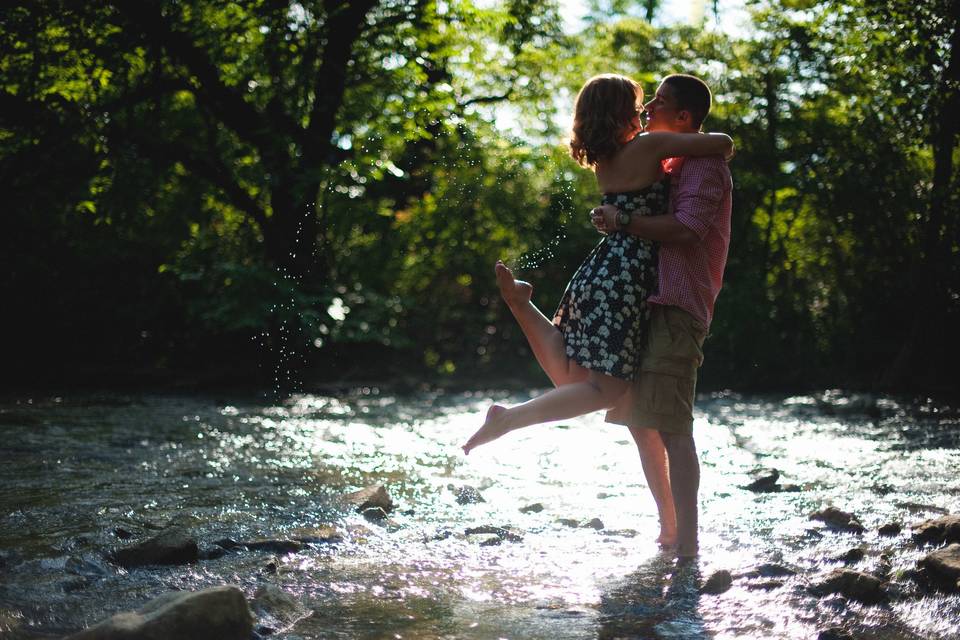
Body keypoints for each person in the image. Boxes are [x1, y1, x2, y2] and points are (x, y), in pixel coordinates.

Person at [461, 74, 733, 458]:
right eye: (639, 104)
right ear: (622, 113)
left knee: (574, 376)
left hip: (600, 271)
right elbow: (722, 143)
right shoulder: (650, 146)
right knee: (605, 390)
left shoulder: (605, 163)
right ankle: (508, 418)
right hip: (628, 276)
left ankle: (523, 306)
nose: (645, 109)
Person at [592, 74, 734, 559]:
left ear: (684, 118)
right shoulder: (670, 159)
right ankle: (670, 530)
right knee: (640, 421)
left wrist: (626, 220)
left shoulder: (705, 165)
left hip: (678, 302)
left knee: (673, 425)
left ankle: (689, 548)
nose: (650, 105)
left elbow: (688, 230)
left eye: (662, 100)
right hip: (647, 301)